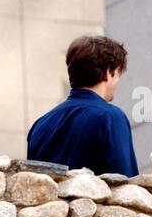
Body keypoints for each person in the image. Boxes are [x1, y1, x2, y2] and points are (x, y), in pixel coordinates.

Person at [27, 36, 139, 177]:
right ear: (107, 74)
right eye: (117, 75)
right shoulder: (110, 117)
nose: (118, 81)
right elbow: (126, 185)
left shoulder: (40, 125)